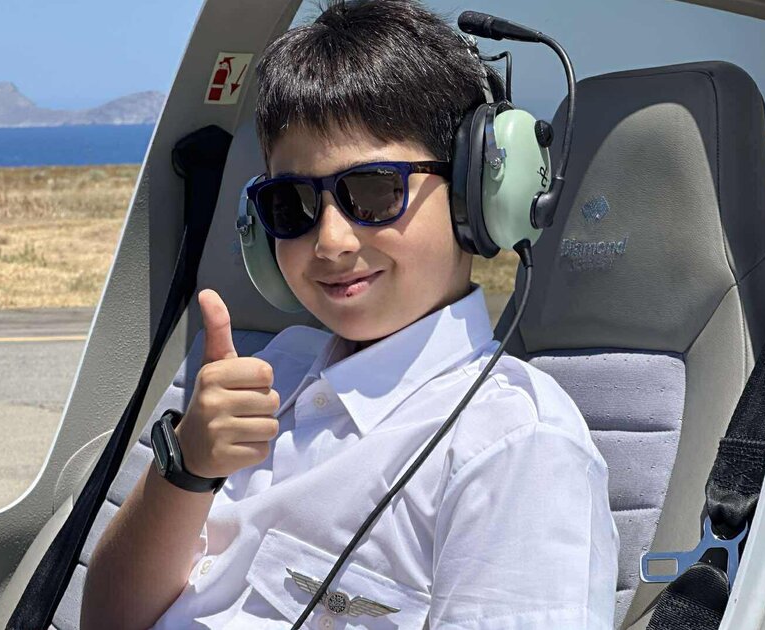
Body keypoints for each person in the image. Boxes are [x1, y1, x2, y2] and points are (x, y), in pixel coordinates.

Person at [83, 1, 618, 627]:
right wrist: (188, 468)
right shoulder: (269, 374)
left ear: (476, 192)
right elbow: (108, 619)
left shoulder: (514, 448)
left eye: (374, 191)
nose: (331, 242)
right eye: (292, 204)